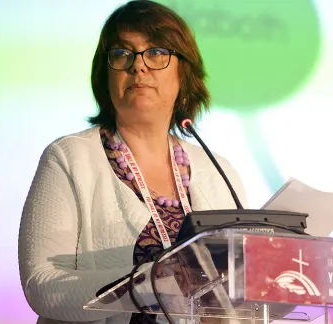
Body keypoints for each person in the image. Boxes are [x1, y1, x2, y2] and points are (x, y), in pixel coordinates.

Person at [18, 1, 247, 323]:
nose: (138, 66)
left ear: (184, 73)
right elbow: (42, 286)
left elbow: (239, 292)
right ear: (105, 74)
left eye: (156, 53)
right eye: (122, 54)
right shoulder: (70, 158)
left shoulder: (218, 172)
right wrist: (154, 282)